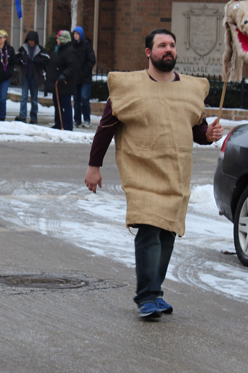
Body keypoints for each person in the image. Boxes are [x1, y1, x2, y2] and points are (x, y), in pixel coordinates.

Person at [84, 28, 223, 319]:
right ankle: (146, 297)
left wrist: (208, 134)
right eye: (162, 45)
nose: (168, 49)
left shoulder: (190, 89)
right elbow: (106, 128)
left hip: (176, 175)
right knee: (148, 231)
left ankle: (155, 292)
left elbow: (197, 129)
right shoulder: (128, 87)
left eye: (172, 45)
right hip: (141, 175)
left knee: (167, 234)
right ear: (149, 52)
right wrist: (93, 166)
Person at [15, 31, 50, 124]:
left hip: (35, 77)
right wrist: (22, 61)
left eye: (32, 40)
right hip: (25, 76)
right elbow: (16, 58)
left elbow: (46, 59)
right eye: (29, 40)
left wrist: (35, 60)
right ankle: (22, 115)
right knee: (24, 97)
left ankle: (34, 116)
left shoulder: (40, 50)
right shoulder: (23, 48)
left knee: (34, 98)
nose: (31, 42)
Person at [45, 30, 77, 131]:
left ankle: (67, 125)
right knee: (57, 103)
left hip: (65, 83)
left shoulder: (68, 51)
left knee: (65, 105)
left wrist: (64, 75)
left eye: (58, 37)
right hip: (57, 83)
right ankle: (58, 123)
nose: (56, 39)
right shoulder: (57, 51)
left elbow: (72, 66)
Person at [72, 26, 96, 128]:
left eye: (77, 34)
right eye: (74, 34)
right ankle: (77, 120)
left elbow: (91, 60)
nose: (75, 36)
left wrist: (85, 71)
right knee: (76, 99)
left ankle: (87, 119)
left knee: (84, 98)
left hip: (85, 78)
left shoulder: (86, 46)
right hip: (75, 77)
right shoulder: (73, 46)